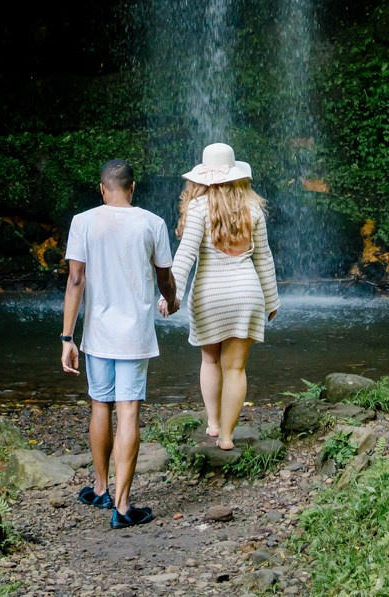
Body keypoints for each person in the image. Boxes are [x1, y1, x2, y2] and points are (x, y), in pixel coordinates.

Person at [60, 158, 177, 529]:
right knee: (128, 412)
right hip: (135, 336)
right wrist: (172, 302)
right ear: (133, 186)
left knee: (99, 406)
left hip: (97, 334)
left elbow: (75, 281)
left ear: (101, 188)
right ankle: (123, 507)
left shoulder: (83, 222)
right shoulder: (152, 223)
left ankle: (99, 488)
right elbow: (165, 279)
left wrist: (67, 337)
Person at [170, 142, 279, 451]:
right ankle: (228, 437)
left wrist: (173, 294)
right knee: (235, 368)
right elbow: (264, 258)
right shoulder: (253, 208)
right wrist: (271, 300)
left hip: (209, 294)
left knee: (209, 358)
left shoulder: (199, 207)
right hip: (247, 293)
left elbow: (185, 256)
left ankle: (213, 423)